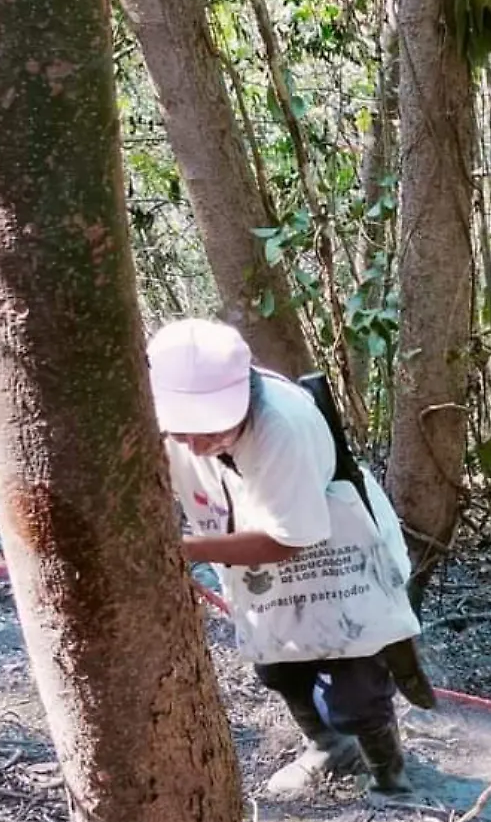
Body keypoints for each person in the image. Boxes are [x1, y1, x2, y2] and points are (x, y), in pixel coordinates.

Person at [148, 318, 415, 796]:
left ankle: (389, 775)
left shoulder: (281, 424)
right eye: (183, 432)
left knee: (354, 685)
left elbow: (290, 539)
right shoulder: (168, 428)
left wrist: (184, 550)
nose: (196, 445)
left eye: (210, 429)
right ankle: (329, 747)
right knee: (278, 666)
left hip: (333, 554)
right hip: (256, 560)